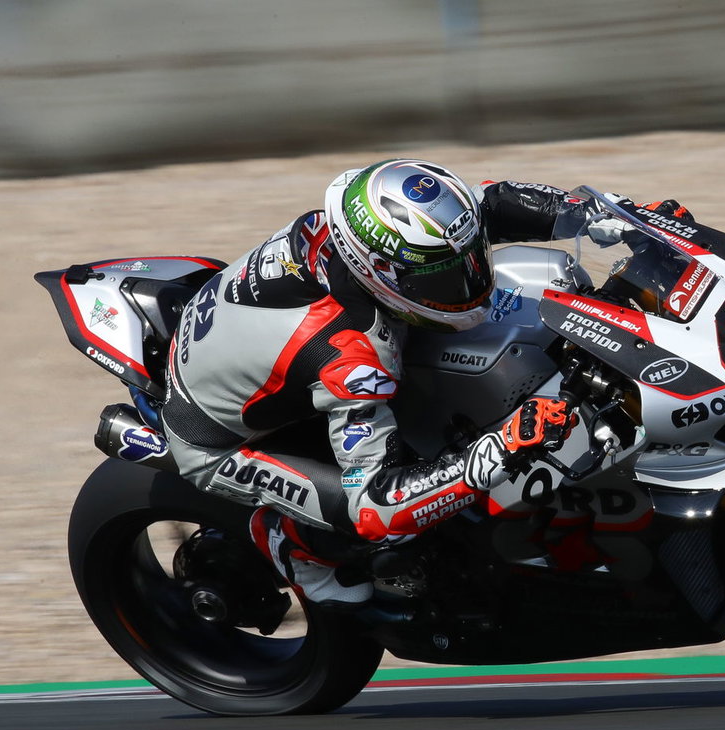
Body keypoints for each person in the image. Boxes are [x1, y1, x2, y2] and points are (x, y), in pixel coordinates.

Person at [160, 157, 686, 609]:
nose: (471, 280)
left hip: (256, 347)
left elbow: (492, 204)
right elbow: (376, 505)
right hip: (221, 441)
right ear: (384, 274)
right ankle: (290, 546)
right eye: (441, 279)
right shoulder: (353, 356)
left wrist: (621, 221)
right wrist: (497, 450)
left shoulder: (392, 229)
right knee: (371, 522)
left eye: (470, 260)